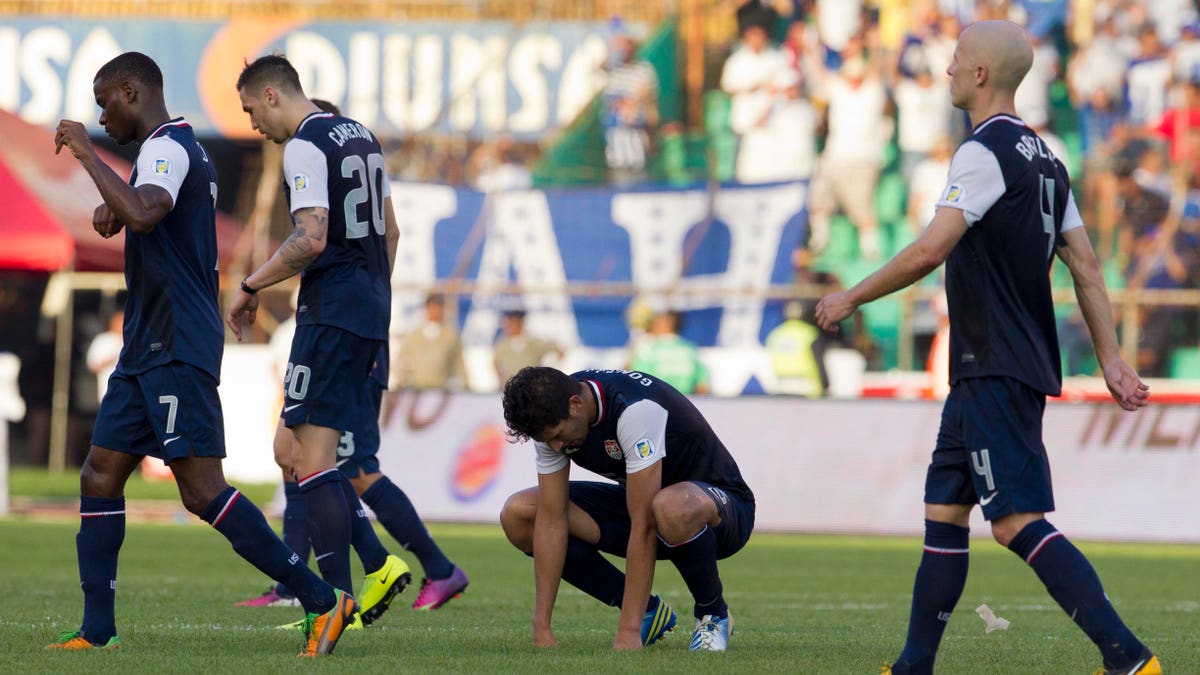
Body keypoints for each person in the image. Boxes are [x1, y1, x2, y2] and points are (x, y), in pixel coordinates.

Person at [815, 21, 1160, 675]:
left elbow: (930, 249)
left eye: (956, 60)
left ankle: (1129, 657)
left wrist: (851, 296)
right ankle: (913, 666)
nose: (946, 70)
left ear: (979, 75)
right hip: (995, 363)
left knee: (1013, 521)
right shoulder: (1048, 160)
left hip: (994, 362)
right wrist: (1112, 359)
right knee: (945, 512)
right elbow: (1087, 266)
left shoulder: (983, 152)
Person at [48, 51, 353, 657]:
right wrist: (118, 202)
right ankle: (97, 630)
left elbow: (146, 211)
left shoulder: (166, 147)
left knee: (202, 489)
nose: (101, 117)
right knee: (100, 474)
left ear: (130, 91)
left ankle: (323, 600)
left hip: (174, 341)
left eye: (104, 103)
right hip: (145, 345)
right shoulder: (168, 149)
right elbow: (146, 210)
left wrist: (88, 154)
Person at [227, 55, 409, 629]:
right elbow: (391, 231)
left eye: (251, 110)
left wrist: (251, 284)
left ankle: (332, 604)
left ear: (272, 95)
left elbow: (310, 238)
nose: (254, 124)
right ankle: (375, 566)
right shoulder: (361, 135)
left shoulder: (304, 145)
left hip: (331, 312)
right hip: (367, 307)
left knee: (310, 459)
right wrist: (372, 298)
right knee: (291, 449)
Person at [499, 366, 755, 652]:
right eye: (547, 441)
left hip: (722, 510)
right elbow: (551, 519)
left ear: (576, 404)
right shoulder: (552, 414)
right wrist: (541, 626)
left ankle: (713, 614)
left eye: (558, 435)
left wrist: (628, 632)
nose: (556, 447)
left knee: (670, 506)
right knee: (520, 514)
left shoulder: (634, 409)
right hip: (649, 509)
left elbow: (643, 525)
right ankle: (648, 611)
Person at [395, 292, 466, 391]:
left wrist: (464, 386)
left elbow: (459, 365)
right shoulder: (414, 337)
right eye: (432, 307)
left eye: (438, 307)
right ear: (426, 308)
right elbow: (402, 362)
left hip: (441, 390)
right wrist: (402, 382)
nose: (435, 311)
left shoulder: (450, 337)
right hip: (417, 391)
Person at [628, 312, 709, 395]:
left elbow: (634, 378)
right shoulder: (690, 348)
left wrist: (633, 349)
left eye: (656, 323)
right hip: (686, 399)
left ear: (665, 326)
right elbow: (702, 385)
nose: (651, 326)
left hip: (656, 398)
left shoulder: (647, 348)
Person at [493, 309, 561, 386]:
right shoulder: (503, 344)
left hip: (532, 387)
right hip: (511, 387)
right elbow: (496, 362)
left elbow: (558, 350)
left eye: (511, 323)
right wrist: (501, 381)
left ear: (519, 323)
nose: (507, 327)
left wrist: (551, 372)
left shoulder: (534, 342)